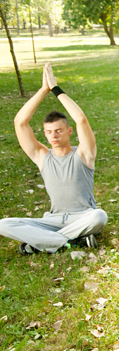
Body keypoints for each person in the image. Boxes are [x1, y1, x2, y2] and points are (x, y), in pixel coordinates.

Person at [0, 64, 107, 254]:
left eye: (58, 130)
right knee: (3, 224)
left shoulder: (84, 153)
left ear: (69, 131)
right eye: (49, 132)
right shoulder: (42, 156)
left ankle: (40, 244)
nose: (54, 136)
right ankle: (70, 242)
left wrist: (55, 89)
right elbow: (20, 122)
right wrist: (43, 90)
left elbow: (81, 119)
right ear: (45, 134)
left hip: (83, 218)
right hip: (52, 220)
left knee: (99, 216)